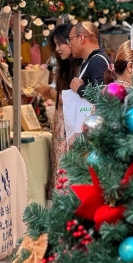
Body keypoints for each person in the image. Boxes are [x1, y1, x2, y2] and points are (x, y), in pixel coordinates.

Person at [36, 24, 80, 199]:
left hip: (68, 127)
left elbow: (70, 100)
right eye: (55, 44)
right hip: (60, 124)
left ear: (72, 42)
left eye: (60, 43)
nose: (57, 49)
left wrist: (49, 91)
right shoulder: (65, 67)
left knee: (65, 169)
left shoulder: (78, 68)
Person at [68, 21, 110, 95]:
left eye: (70, 39)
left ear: (81, 39)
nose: (69, 45)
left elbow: (104, 96)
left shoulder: (97, 61)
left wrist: (80, 88)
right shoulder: (93, 60)